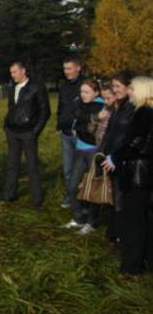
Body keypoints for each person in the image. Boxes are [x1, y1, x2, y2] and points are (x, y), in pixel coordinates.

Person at [103, 76, 153, 274]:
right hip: (144, 173)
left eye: (132, 89)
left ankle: (132, 266)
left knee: (134, 222)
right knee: (144, 219)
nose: (129, 92)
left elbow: (136, 142)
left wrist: (116, 157)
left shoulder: (143, 113)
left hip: (138, 174)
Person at [2, 61, 51, 209]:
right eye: (11, 72)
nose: (12, 75)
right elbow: (11, 108)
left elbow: (45, 111)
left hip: (28, 133)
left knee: (32, 166)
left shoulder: (37, 87)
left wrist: (35, 131)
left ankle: (37, 200)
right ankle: (9, 195)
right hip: (12, 132)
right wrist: (6, 126)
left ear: (23, 71)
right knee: (12, 165)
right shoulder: (12, 87)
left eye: (15, 72)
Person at [61, 79, 105, 235]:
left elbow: (91, 125)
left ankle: (91, 222)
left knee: (93, 188)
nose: (83, 95)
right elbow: (75, 117)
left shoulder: (100, 106)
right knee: (73, 186)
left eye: (87, 92)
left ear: (96, 93)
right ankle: (78, 217)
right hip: (79, 149)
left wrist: (83, 118)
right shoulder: (81, 104)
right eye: (81, 92)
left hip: (93, 151)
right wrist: (78, 123)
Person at [101, 71, 136, 245]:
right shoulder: (118, 107)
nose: (114, 90)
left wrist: (117, 157)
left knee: (121, 199)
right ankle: (113, 232)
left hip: (122, 160)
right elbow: (110, 133)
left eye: (118, 86)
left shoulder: (133, 109)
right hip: (110, 158)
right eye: (113, 86)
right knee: (113, 198)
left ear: (129, 87)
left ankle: (122, 235)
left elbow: (130, 138)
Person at [57, 56, 85, 208]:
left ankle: (84, 197)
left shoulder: (85, 85)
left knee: (81, 168)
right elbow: (61, 107)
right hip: (65, 133)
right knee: (67, 168)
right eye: (64, 69)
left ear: (78, 68)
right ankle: (70, 196)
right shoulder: (63, 87)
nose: (66, 72)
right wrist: (59, 124)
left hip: (81, 134)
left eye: (69, 68)